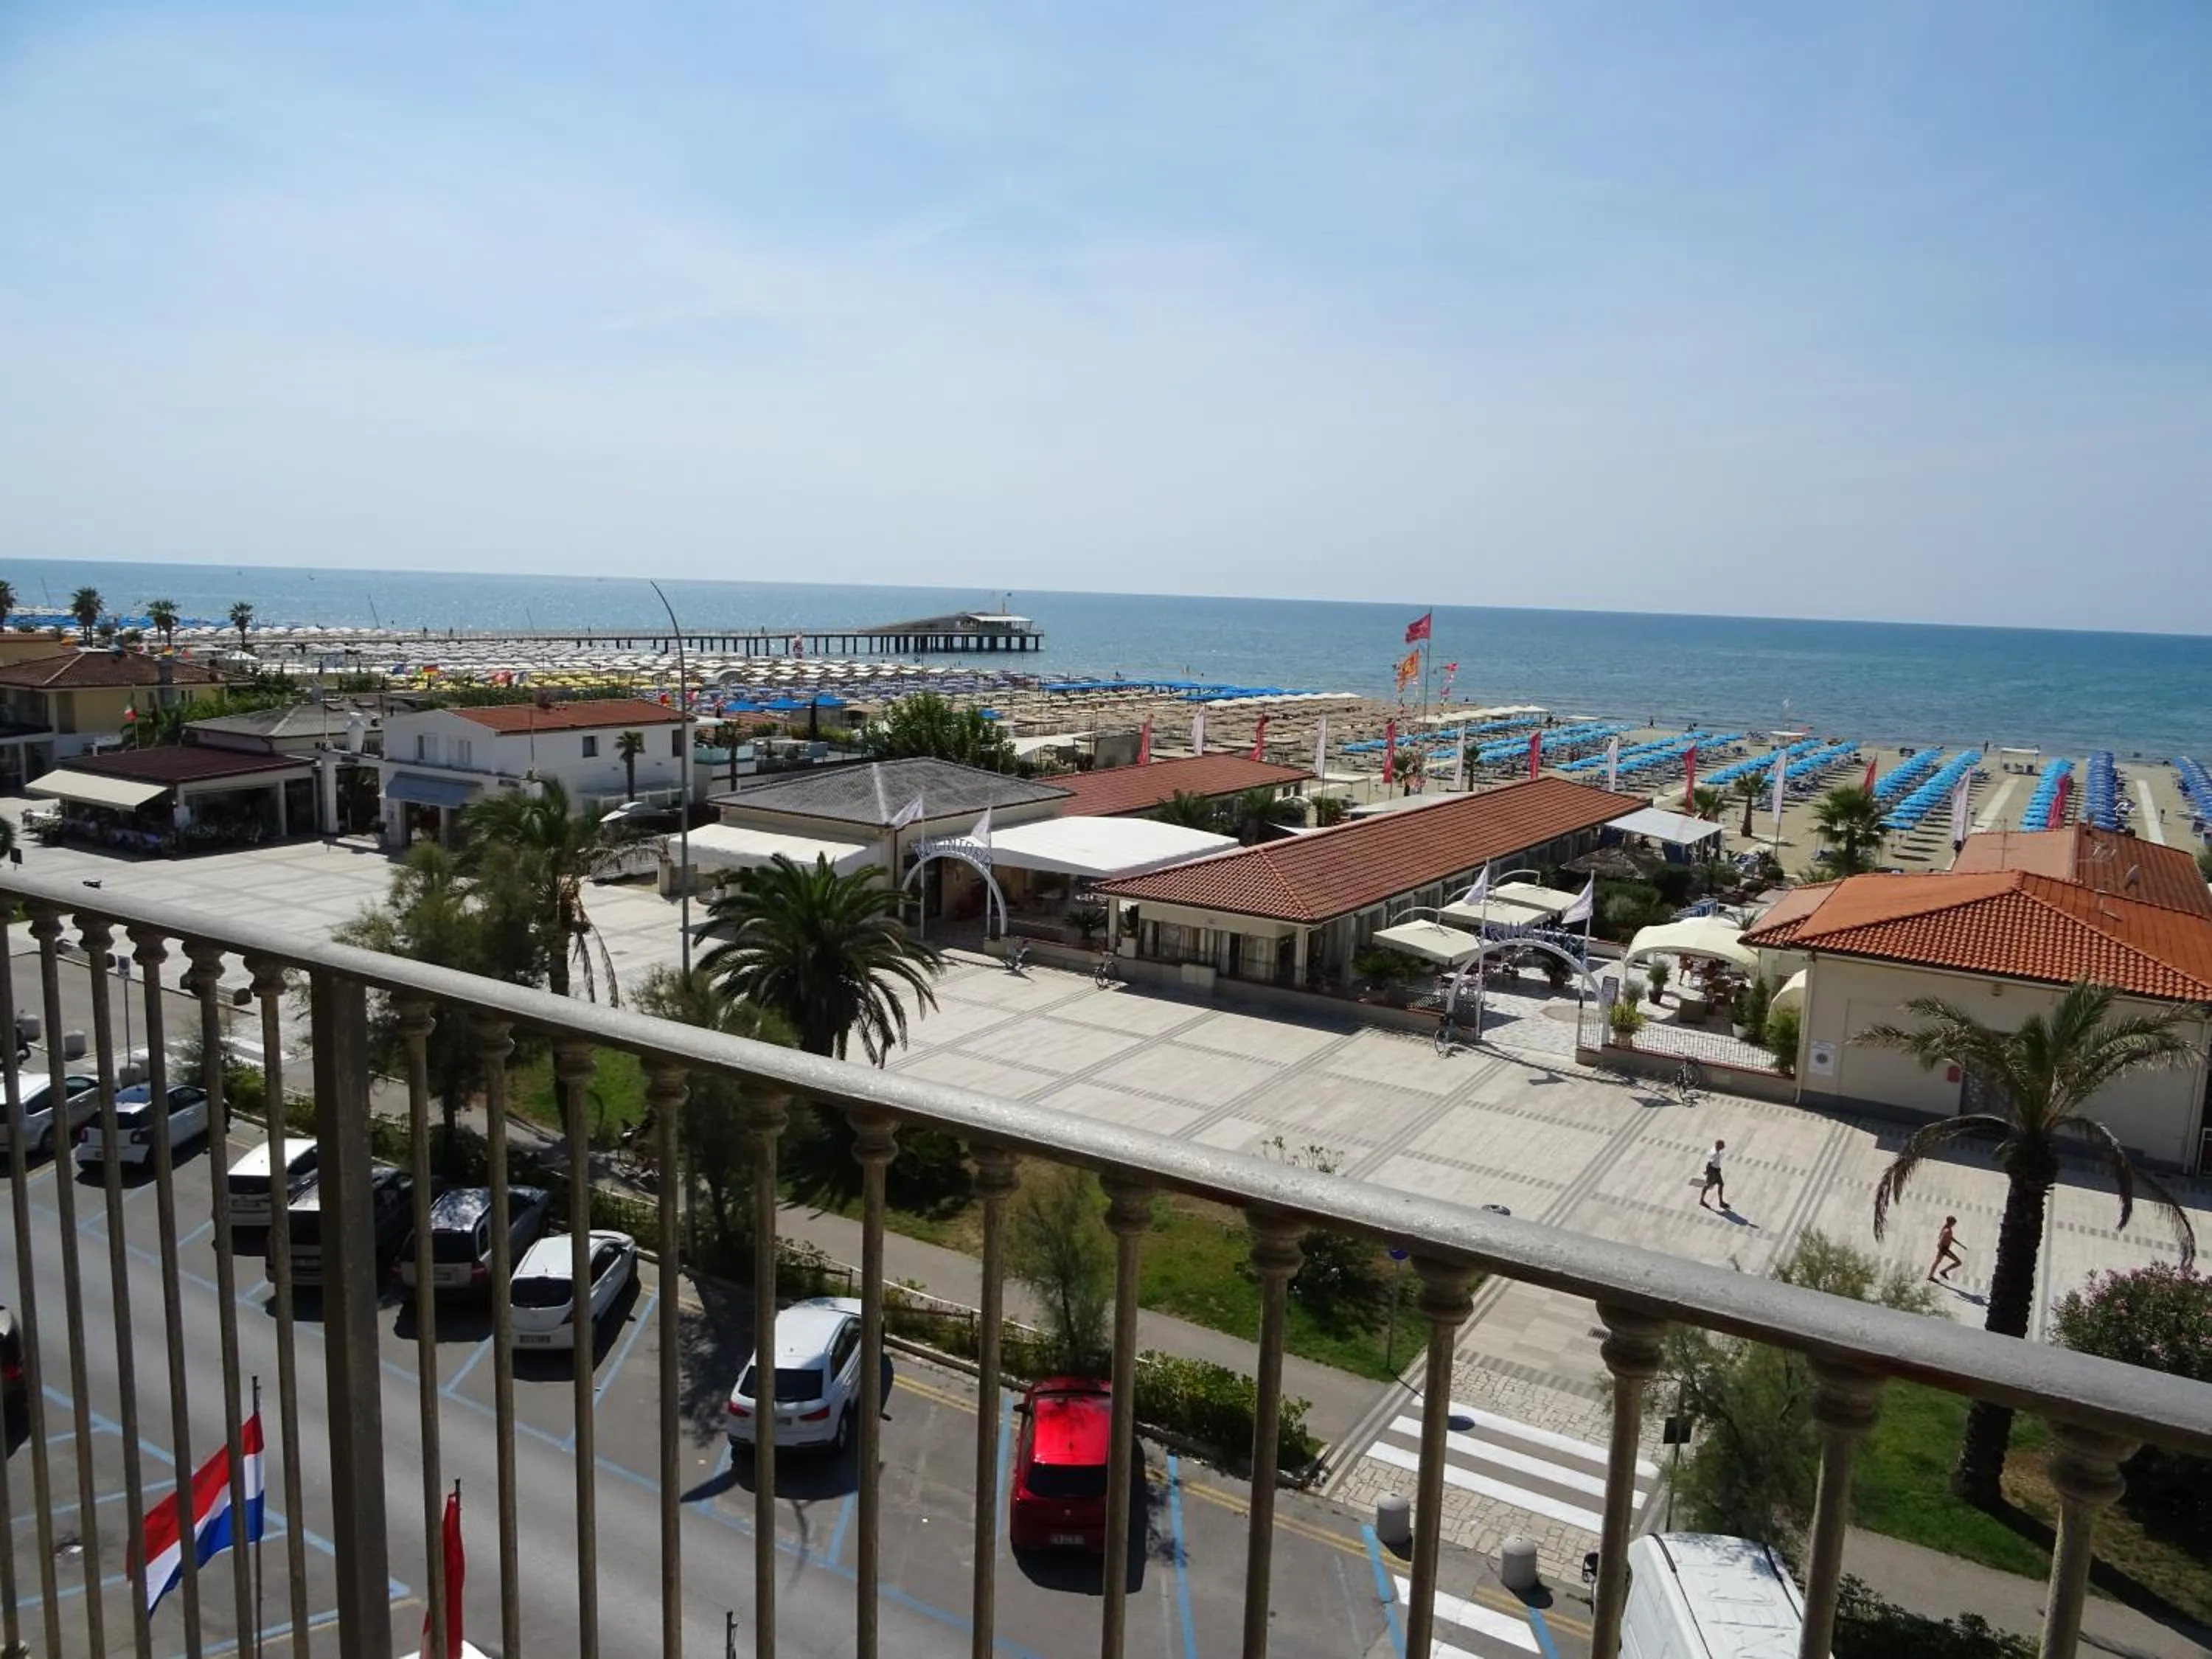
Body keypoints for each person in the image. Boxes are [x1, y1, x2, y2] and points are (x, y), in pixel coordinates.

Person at [1929, 1215, 1965, 1282]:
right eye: (1954, 1223)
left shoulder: (1947, 1228)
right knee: (1958, 1262)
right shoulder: (1947, 1231)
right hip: (1944, 1249)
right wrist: (1941, 1249)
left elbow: (1950, 1238)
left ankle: (1932, 1275)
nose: (1954, 1225)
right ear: (1951, 1222)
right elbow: (1941, 1239)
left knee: (1937, 1262)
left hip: (1944, 1249)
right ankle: (1941, 1272)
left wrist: (1960, 1245)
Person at [1698, 1138, 1726, 1211]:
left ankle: (1721, 1202)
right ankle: (1701, 1200)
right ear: (1719, 1146)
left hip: (1717, 1170)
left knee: (1721, 1184)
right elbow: (1709, 1164)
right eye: (1722, 1145)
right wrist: (1708, 1172)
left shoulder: (1715, 1150)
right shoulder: (1715, 1154)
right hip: (1713, 1172)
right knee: (1707, 1185)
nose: (1724, 1147)